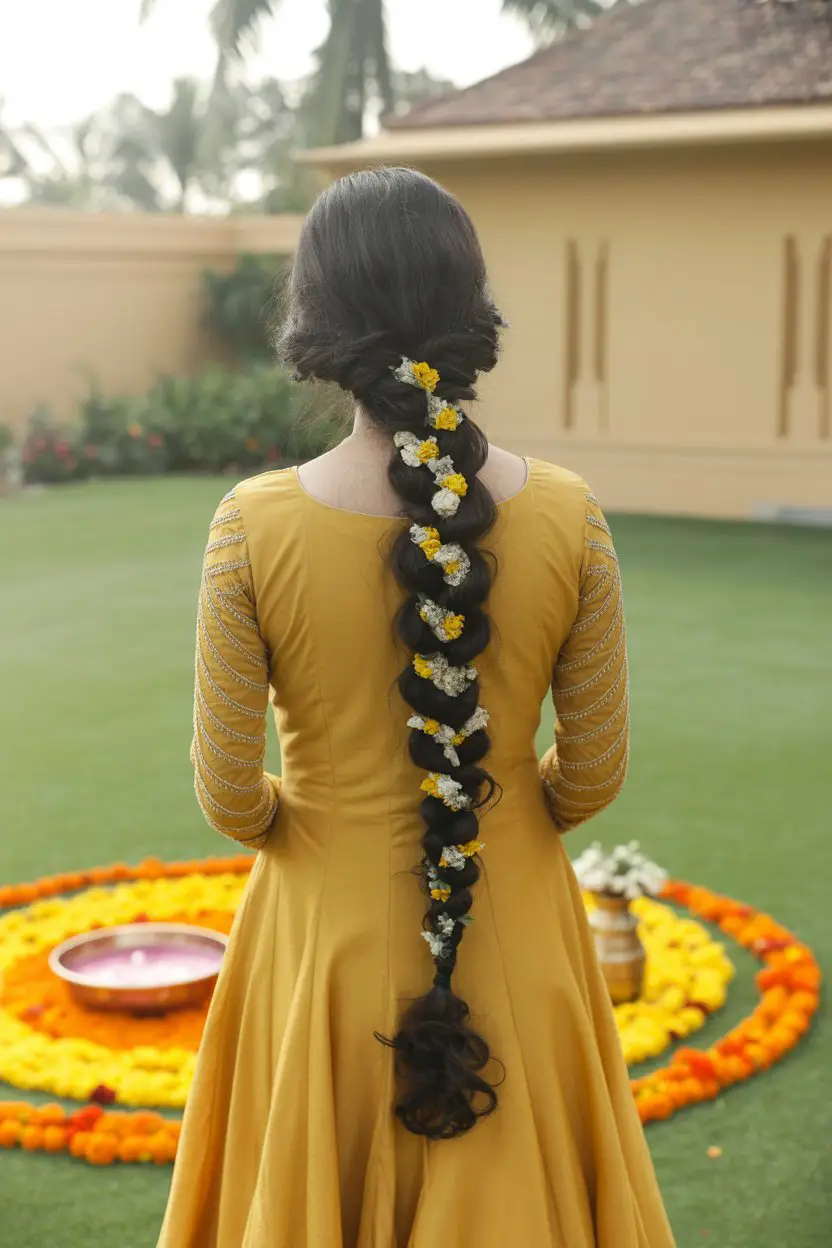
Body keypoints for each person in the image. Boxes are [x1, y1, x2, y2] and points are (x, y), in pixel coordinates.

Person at [158, 167, 675, 1248]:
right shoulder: (571, 515)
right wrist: (499, 813)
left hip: (324, 944)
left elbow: (228, 796)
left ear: (318, 322)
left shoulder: (250, 527)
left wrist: (327, 819)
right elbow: (592, 774)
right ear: (467, 313)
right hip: (516, 934)